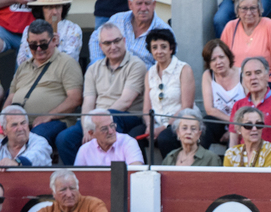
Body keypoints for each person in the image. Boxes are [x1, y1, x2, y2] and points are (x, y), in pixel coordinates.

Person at [56, 22, 146, 166]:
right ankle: (81, 178)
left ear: (124, 41)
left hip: (125, 116)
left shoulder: (136, 65)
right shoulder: (93, 69)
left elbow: (125, 101)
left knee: (112, 116)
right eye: (107, 43)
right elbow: (88, 103)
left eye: (116, 41)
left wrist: (100, 121)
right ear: (100, 46)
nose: (113, 46)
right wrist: (87, 126)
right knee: (64, 138)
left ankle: (111, 175)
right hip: (96, 120)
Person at [7, 19, 82, 145]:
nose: (38, 49)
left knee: (35, 138)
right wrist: (3, 119)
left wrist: (49, 115)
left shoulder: (67, 63)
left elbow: (75, 99)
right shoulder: (23, 67)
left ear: (53, 41)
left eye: (43, 44)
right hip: (21, 123)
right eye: (33, 45)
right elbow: (11, 97)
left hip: (55, 121)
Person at [87, 0, 170, 68]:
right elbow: (95, 38)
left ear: (154, 5)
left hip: (142, 78)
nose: (143, 8)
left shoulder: (164, 30)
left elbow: (165, 67)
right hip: (111, 74)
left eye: (147, 3)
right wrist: (99, 63)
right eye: (139, 3)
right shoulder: (118, 19)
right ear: (130, 4)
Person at [143, 27, 194, 157]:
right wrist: (150, 126)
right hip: (156, 123)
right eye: (154, 47)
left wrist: (164, 127)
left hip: (180, 122)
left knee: (165, 138)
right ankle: (140, 174)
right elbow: (146, 108)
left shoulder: (184, 69)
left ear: (171, 49)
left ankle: (172, 173)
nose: (159, 51)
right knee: (132, 137)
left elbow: (186, 107)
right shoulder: (150, 73)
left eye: (163, 47)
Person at [221, 0, 271, 81]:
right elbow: (223, 60)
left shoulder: (270, 26)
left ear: (259, 9)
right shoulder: (230, 27)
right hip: (237, 84)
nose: (248, 13)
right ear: (237, 10)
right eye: (244, 8)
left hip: (266, 83)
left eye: (253, 8)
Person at [228, 57, 271, 146]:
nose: (253, 78)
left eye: (258, 73)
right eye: (248, 74)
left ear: (267, 76)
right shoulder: (238, 105)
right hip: (245, 157)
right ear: (243, 79)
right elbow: (233, 140)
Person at [17, 0, 80, 65]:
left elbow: (69, 61)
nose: (54, 12)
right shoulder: (29, 30)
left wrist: (55, 48)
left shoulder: (72, 29)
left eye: (58, 7)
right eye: (49, 7)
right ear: (41, 10)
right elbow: (21, 61)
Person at [200, 39, 245, 147]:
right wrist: (232, 123)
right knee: (206, 122)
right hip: (222, 123)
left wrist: (234, 127)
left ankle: (230, 162)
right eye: (213, 59)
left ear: (228, 57)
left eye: (221, 57)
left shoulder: (242, 74)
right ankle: (200, 160)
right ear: (209, 63)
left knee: (235, 136)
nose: (218, 62)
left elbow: (251, 105)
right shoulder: (208, 75)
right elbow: (209, 110)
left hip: (242, 123)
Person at [75, 108, 144, 166]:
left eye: (112, 125)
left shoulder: (128, 142)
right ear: (91, 133)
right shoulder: (85, 150)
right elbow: (78, 178)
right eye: (104, 128)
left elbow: (136, 173)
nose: (111, 131)